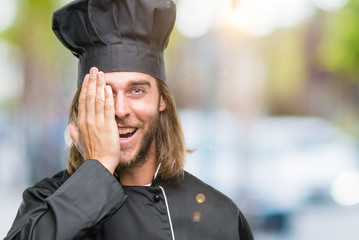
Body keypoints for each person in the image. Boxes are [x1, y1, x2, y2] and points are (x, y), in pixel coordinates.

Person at [5, 0, 254, 239]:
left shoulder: (219, 216)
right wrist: (99, 168)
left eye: (137, 90)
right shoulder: (44, 207)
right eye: (106, 92)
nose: (121, 109)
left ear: (161, 101)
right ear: (85, 104)